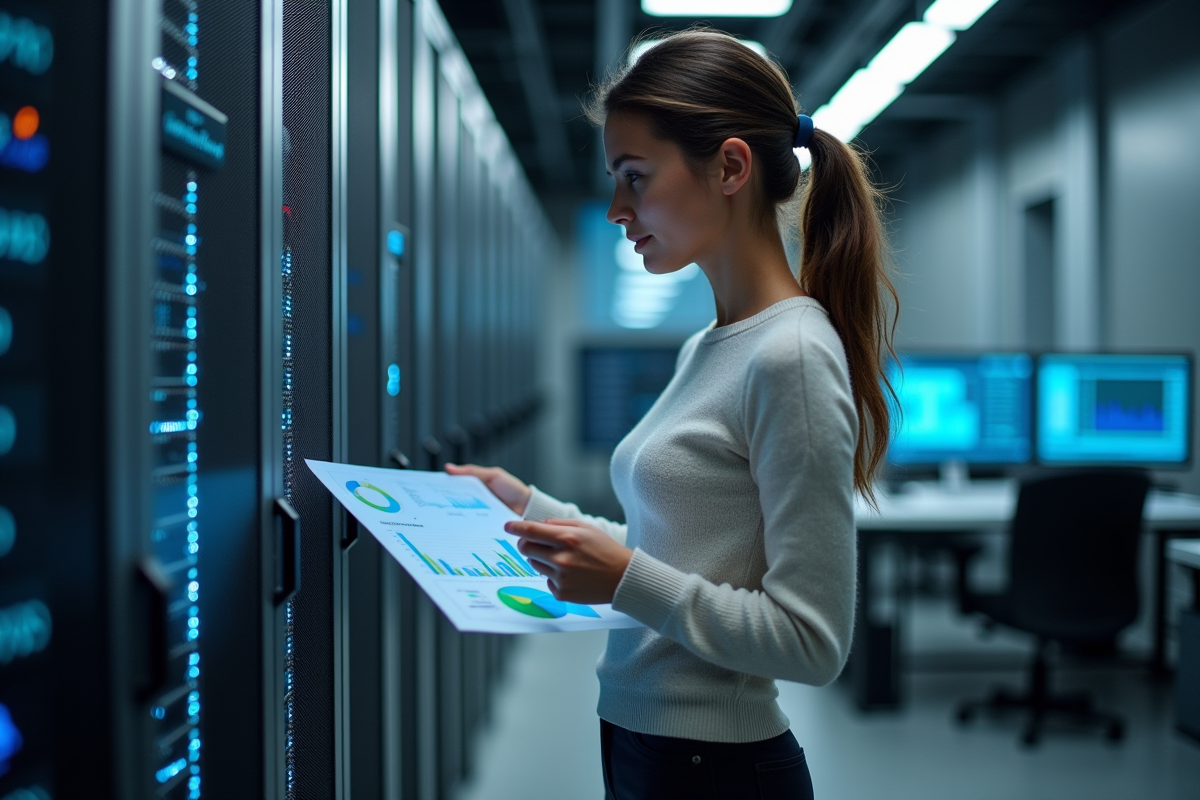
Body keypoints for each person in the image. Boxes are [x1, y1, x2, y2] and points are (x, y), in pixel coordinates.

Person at [446, 29, 897, 800]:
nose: (619, 208)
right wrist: (533, 511)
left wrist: (624, 579)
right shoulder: (712, 346)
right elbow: (685, 549)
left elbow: (813, 641)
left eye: (635, 176)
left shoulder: (788, 355)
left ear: (729, 166)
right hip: (645, 742)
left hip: (714, 768)